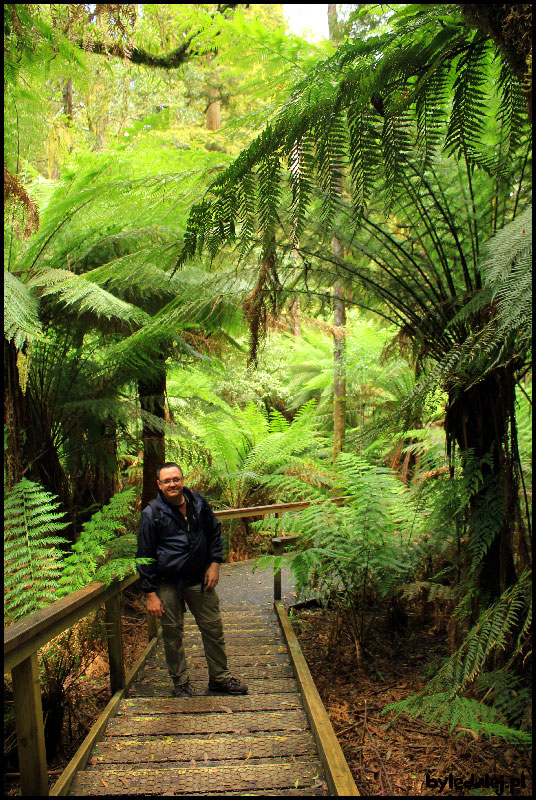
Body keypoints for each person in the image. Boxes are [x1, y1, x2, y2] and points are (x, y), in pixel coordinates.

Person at [136, 462, 248, 697]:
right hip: (167, 582)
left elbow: (214, 531)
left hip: (199, 578)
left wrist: (215, 563)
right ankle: (181, 683)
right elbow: (144, 556)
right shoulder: (152, 514)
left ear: (183, 480)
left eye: (176, 479)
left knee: (213, 627)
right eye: (167, 481)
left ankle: (220, 678)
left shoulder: (198, 502)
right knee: (172, 633)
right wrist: (150, 594)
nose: (172, 484)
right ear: (159, 485)